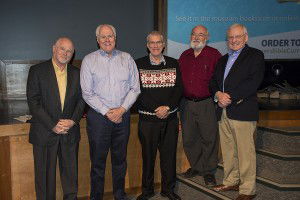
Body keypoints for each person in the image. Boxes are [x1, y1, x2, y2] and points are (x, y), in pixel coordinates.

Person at [80, 24, 140, 200]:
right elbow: (87, 93)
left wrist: (121, 110)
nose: (107, 40)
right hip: (98, 118)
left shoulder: (127, 58)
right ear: (97, 40)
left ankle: (119, 195)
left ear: (115, 38)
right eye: (103, 37)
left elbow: (135, 89)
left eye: (110, 36)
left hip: (123, 116)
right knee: (98, 162)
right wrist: (108, 112)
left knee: (120, 160)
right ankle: (96, 197)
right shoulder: (89, 60)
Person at [210, 24, 265, 200]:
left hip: (242, 111)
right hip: (223, 111)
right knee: (228, 150)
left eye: (237, 37)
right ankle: (231, 181)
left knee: (245, 153)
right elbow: (213, 82)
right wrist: (218, 95)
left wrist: (229, 97)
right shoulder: (222, 59)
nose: (233, 40)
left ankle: (248, 189)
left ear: (246, 37)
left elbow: (252, 82)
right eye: (230, 38)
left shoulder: (255, 55)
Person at [26, 37, 85, 200]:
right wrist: (52, 125)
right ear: (54, 48)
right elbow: (33, 102)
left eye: (69, 51)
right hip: (45, 132)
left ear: (73, 54)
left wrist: (73, 120)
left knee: (70, 177)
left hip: (69, 132)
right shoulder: (37, 71)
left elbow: (82, 100)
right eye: (62, 49)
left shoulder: (77, 73)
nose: (65, 53)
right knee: (44, 179)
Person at [135, 31, 183, 200]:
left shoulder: (174, 63)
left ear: (164, 44)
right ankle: (147, 191)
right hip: (148, 120)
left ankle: (168, 190)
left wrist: (167, 107)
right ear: (147, 45)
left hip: (170, 119)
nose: (155, 45)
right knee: (148, 157)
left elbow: (178, 89)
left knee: (169, 157)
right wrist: (157, 108)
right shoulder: (137, 64)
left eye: (158, 42)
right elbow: (137, 91)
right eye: (151, 42)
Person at [178, 25, 221, 186]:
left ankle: (209, 171)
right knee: (189, 138)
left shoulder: (214, 55)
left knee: (209, 138)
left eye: (201, 34)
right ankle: (197, 166)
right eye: (194, 34)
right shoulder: (185, 55)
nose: (196, 37)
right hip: (186, 104)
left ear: (207, 37)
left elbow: (220, 79)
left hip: (206, 103)